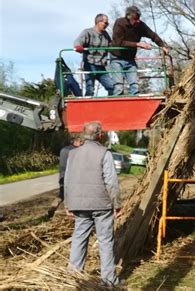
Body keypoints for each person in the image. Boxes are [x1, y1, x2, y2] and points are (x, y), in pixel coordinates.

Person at [64, 121, 122, 286]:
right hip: (101, 205)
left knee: (79, 239)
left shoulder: (72, 154)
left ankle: (73, 279)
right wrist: (117, 203)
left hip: (79, 205)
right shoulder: (105, 153)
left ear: (83, 134)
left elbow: (67, 181)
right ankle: (109, 281)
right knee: (105, 241)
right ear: (100, 135)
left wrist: (68, 204)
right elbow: (111, 182)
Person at [110, 5, 169, 95]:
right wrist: (138, 44)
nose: (138, 21)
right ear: (128, 17)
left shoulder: (140, 25)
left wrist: (162, 46)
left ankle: (135, 103)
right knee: (118, 86)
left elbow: (153, 35)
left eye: (138, 18)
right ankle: (117, 106)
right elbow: (118, 42)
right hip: (117, 58)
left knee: (134, 85)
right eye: (135, 18)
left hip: (130, 59)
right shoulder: (120, 23)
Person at [74, 14, 114, 96]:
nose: (107, 25)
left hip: (102, 66)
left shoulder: (106, 35)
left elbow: (111, 46)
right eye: (105, 23)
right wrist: (78, 47)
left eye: (107, 23)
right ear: (98, 22)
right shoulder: (87, 32)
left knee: (112, 87)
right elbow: (78, 42)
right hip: (90, 64)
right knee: (90, 88)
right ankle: (87, 107)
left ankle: (110, 105)